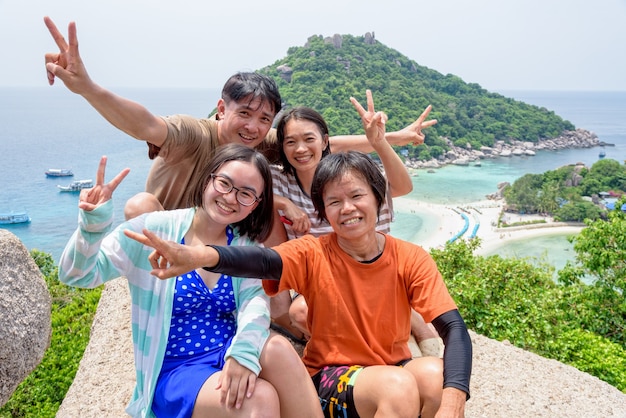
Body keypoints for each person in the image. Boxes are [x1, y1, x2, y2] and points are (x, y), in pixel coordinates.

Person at [126, 100, 472, 417]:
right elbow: (258, 263)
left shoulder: (410, 257)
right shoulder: (312, 252)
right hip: (334, 376)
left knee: (435, 377)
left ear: (379, 199)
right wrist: (197, 254)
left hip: (395, 364)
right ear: (323, 211)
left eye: (356, 196)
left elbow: (454, 328)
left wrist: (455, 400)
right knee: (397, 388)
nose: (347, 209)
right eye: (334, 202)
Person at [43, 16, 436, 217]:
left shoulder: (258, 144)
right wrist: (88, 88)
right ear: (221, 108)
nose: (254, 126)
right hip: (170, 235)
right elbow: (145, 124)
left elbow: (324, 145)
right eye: (244, 113)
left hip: (216, 240)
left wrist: (393, 138)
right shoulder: (194, 134)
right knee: (139, 205)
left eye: (265, 119)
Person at [58, 145, 322, 418]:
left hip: (226, 351)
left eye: (245, 193)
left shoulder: (243, 246)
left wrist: (243, 354)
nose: (231, 198)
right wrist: (92, 226)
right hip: (176, 368)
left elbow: (255, 304)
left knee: (277, 348)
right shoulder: (155, 230)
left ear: (256, 204)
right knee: (260, 399)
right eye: (225, 183)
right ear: (208, 178)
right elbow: (78, 274)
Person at [267, 93, 443, 358]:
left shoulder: (347, 179)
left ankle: (410, 323)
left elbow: (402, 187)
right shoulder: (280, 181)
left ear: (325, 141)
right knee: (301, 311)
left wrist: (381, 141)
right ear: (282, 147)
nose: (300, 149)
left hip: (372, 273)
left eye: (309, 140)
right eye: (290, 142)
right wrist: (282, 203)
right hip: (323, 282)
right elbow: (250, 191)